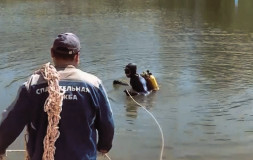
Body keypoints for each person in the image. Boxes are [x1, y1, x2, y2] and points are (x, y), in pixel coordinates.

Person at [0, 33, 114, 160]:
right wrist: (104, 146)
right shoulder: (94, 84)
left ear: (52, 53)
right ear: (77, 56)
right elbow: (107, 122)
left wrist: (1, 147)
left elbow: (11, 122)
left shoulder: (32, 85)